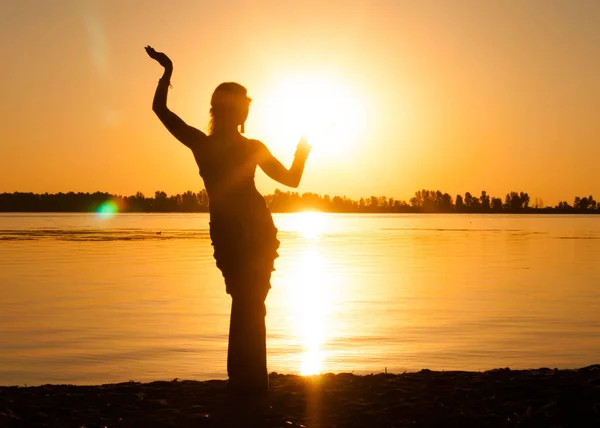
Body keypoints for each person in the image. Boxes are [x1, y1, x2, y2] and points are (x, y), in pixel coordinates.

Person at [145, 46, 311, 394]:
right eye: (243, 102)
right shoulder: (204, 143)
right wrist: (167, 71)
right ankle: (248, 382)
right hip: (234, 232)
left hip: (256, 231)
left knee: (250, 302)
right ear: (228, 109)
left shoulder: (244, 146)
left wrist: (302, 151)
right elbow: (160, 109)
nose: (247, 106)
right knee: (247, 302)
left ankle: (249, 382)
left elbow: (292, 180)